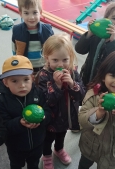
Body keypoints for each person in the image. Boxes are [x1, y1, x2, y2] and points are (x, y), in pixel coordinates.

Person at [37, 34, 86, 169]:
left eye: (65, 59)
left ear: (70, 57)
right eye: (55, 60)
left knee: (61, 135)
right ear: (47, 58)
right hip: (50, 118)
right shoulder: (43, 75)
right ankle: (46, 155)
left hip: (67, 116)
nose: (60, 64)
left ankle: (58, 150)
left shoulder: (74, 73)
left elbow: (81, 95)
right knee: (47, 139)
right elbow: (47, 100)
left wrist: (72, 84)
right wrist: (57, 86)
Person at [0, 55, 51, 169]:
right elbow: (3, 126)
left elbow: (48, 111)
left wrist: (44, 117)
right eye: (14, 81)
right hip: (15, 146)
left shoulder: (38, 93)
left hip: (38, 142)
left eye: (26, 79)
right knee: (16, 165)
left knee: (34, 164)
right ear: (5, 82)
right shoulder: (1, 101)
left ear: (32, 78)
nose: (22, 85)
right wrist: (20, 123)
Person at [75, 1, 115, 86]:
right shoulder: (97, 35)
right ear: (106, 19)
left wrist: (112, 41)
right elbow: (80, 50)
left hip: (104, 84)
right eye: (114, 18)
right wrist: (89, 34)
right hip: (87, 76)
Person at [12, 0, 54, 76]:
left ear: (40, 12)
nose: (31, 17)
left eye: (35, 12)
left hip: (44, 68)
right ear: (20, 13)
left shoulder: (48, 30)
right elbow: (15, 51)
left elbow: (54, 50)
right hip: (25, 69)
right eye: (26, 13)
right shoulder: (16, 31)